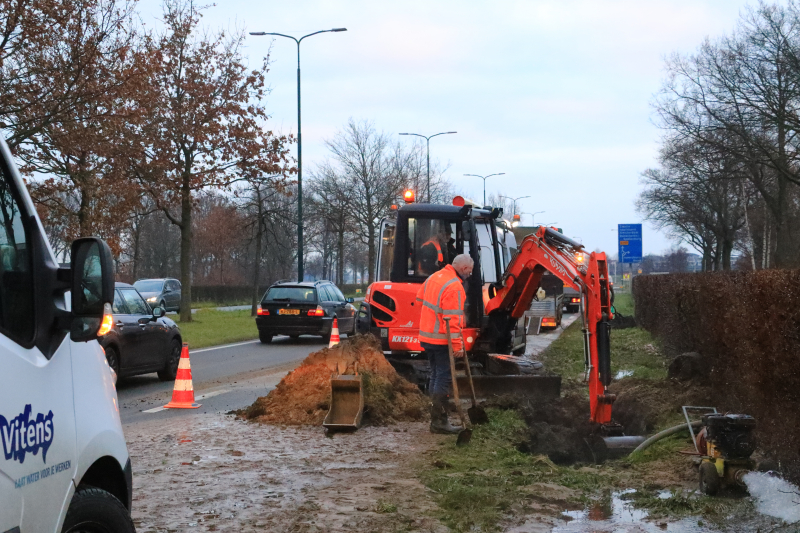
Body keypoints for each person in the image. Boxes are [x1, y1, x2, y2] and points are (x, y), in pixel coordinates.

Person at [416, 253, 474, 434]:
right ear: (464, 269)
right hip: (441, 339)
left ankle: (436, 418)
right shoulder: (455, 286)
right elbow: (453, 320)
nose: (470, 275)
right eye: (470, 272)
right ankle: (439, 422)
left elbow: (419, 299)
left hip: (427, 337)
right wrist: (457, 346)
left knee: (435, 375)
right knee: (443, 377)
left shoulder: (435, 277)